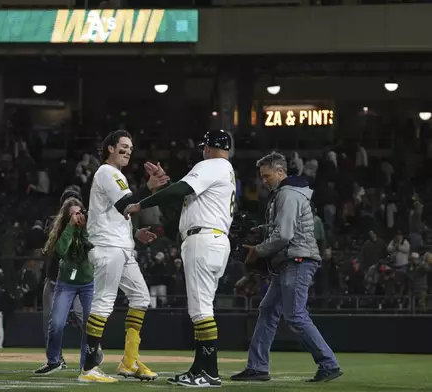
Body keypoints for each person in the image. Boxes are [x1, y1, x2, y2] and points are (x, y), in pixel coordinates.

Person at [123, 129, 235, 388]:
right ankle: (201, 368)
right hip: (213, 240)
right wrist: (166, 182)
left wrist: (142, 204)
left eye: (204, 146)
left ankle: (209, 373)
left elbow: (181, 190)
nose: (202, 150)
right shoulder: (223, 170)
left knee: (201, 310)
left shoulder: (212, 165)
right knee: (202, 307)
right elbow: (182, 195)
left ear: (209, 147)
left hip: (204, 240)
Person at [231, 152, 343, 383]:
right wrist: (262, 234)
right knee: (268, 311)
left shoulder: (288, 194)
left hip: (298, 260)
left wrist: (257, 250)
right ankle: (257, 367)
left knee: (295, 315)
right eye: (262, 176)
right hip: (289, 261)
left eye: (267, 175)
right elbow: (279, 231)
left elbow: (283, 235)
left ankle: (328, 363)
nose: (264, 180)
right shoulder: (285, 194)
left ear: (281, 171)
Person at [78, 130, 168, 383]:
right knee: (104, 302)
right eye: (124, 146)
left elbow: (122, 210)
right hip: (108, 246)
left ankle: (129, 362)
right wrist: (149, 187)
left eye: (131, 147)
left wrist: (134, 232)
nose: (128, 150)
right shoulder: (107, 172)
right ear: (110, 148)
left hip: (121, 245)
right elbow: (125, 204)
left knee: (140, 297)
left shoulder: (116, 175)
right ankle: (88, 369)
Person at [40, 186, 103, 370]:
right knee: (55, 324)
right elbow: (60, 250)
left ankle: (88, 362)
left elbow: (92, 248)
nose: (76, 215)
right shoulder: (59, 226)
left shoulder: (91, 226)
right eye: (72, 213)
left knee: (88, 324)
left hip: (86, 282)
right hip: (63, 282)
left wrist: (84, 228)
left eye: (79, 211)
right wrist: (70, 227)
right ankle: (54, 360)